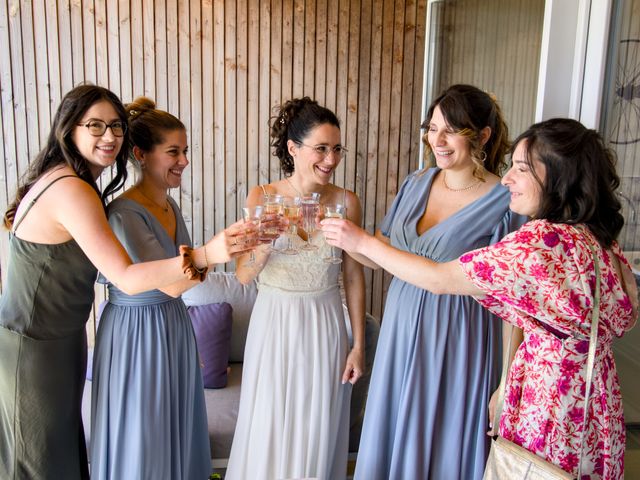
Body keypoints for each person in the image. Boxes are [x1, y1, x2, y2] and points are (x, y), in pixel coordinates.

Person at [322, 117, 639, 479]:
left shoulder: (541, 243)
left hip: (549, 404)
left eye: (520, 169)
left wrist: (360, 241)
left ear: (555, 176)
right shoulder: (603, 244)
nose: (507, 180)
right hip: (599, 405)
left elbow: (440, 279)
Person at [0, 85, 255, 480]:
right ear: (69, 130)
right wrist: (207, 254)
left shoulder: (76, 183)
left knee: (62, 459)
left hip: (61, 342)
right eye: (96, 125)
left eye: (116, 126)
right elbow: (126, 277)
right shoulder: (72, 190)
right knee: (37, 463)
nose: (110, 137)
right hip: (34, 348)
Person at [319, 84, 527, 479]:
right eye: (432, 129)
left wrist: (507, 381)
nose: (439, 141)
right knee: (393, 432)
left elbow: (513, 305)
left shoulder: (505, 202)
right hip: (401, 328)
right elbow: (378, 256)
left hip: (458, 340)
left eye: (452, 130)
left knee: (441, 437)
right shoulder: (417, 183)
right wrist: (336, 233)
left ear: (482, 136)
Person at [225, 97, 366, 480]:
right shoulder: (263, 196)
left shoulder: (345, 202)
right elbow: (242, 276)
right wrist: (270, 235)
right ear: (293, 148)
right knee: (268, 424)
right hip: (274, 324)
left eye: (337, 149)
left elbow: (353, 276)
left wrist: (358, 344)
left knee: (316, 426)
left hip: (326, 326)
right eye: (321, 148)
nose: (331, 159)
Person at [89, 97, 211, 479]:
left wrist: (198, 265)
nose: (184, 161)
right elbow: (173, 283)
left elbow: (188, 277)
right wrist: (211, 255)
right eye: (173, 151)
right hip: (136, 329)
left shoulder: (170, 207)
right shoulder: (124, 212)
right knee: (145, 435)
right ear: (141, 154)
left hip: (173, 325)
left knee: (175, 424)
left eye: (185, 151)